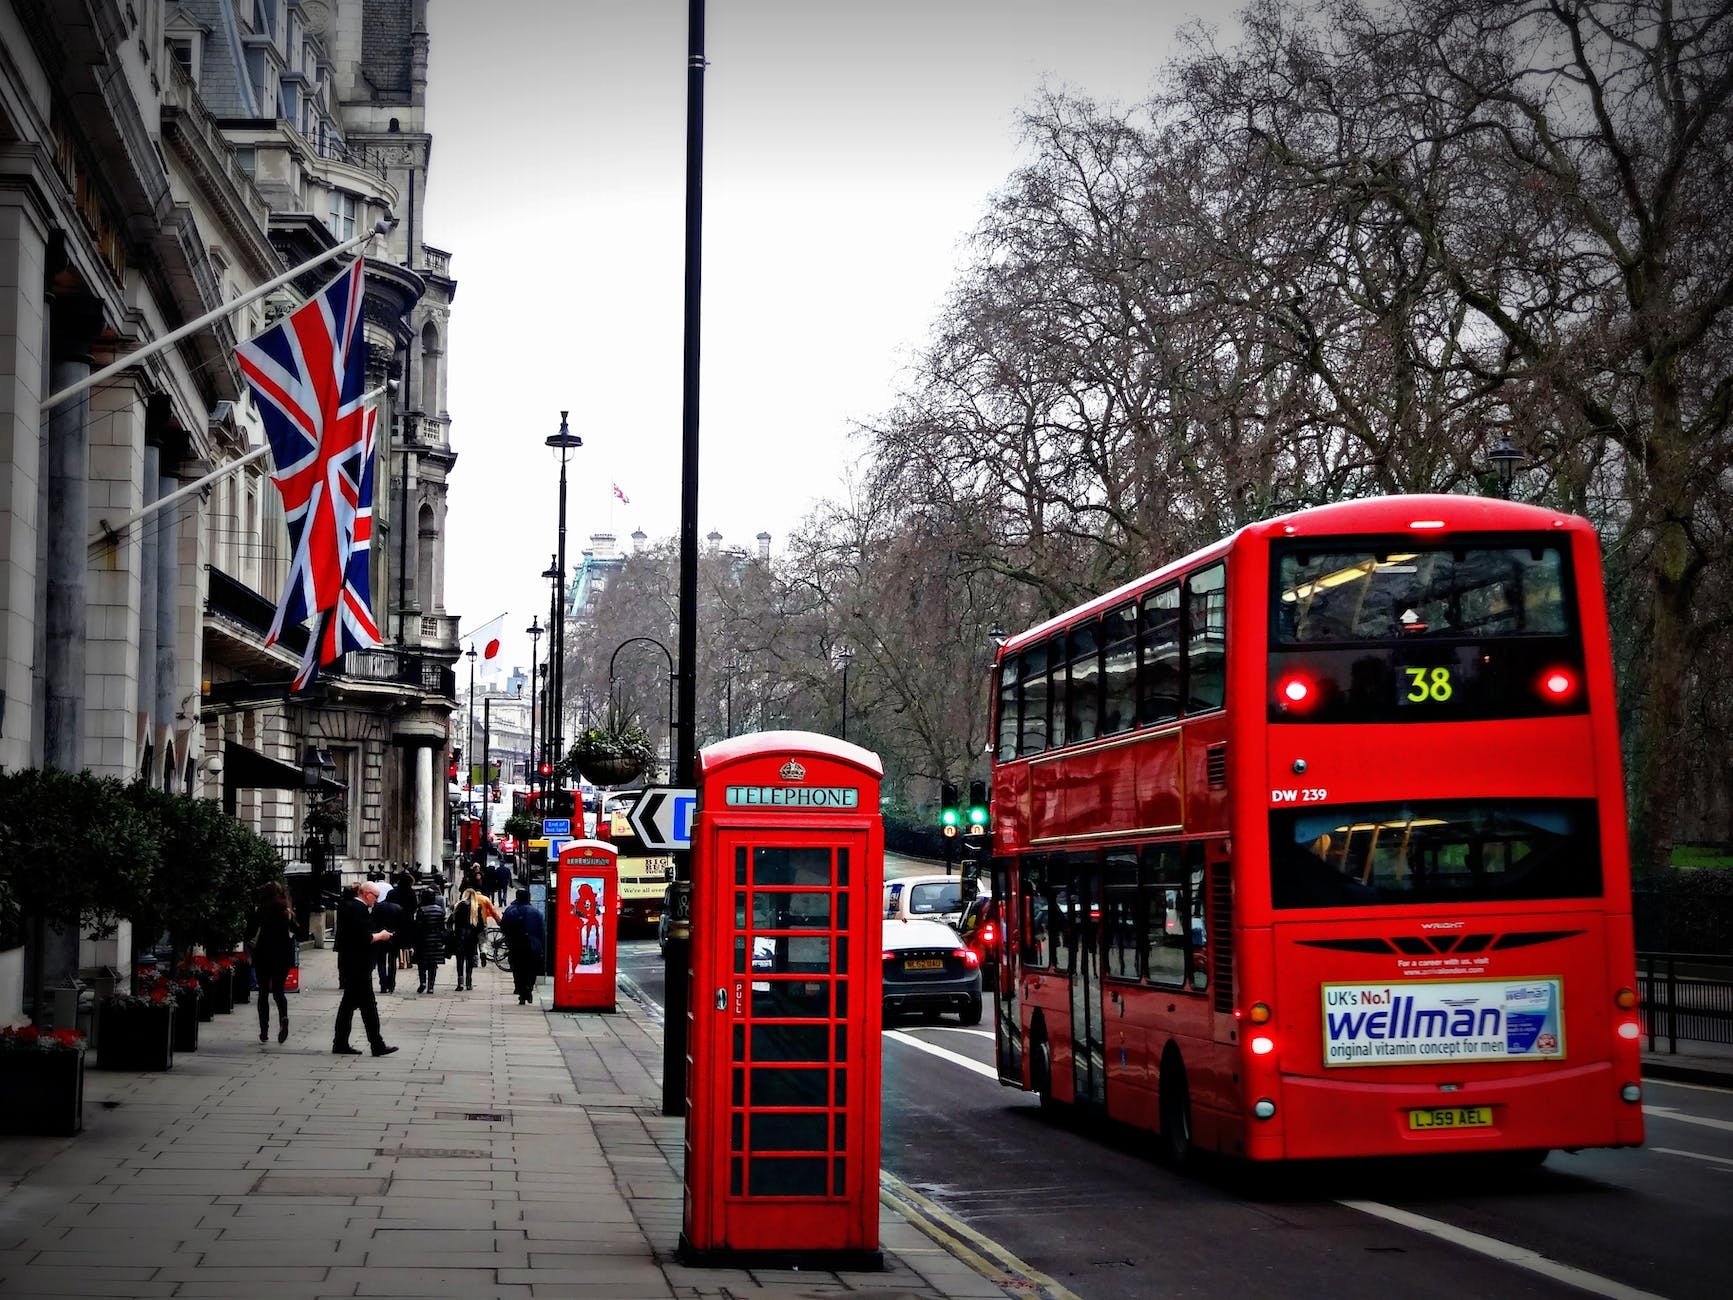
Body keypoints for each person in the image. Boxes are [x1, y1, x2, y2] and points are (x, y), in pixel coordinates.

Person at [332, 881, 398, 1057]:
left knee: (348, 1006)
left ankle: (341, 1042)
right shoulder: (357, 909)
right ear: (366, 894)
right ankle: (377, 1045)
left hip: (353, 965)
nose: (376, 901)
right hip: (358, 965)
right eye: (375, 897)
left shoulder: (351, 907)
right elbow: (363, 938)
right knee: (368, 1007)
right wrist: (381, 935)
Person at [247, 881, 297, 1044]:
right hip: (282, 956)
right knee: (278, 991)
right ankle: (283, 1017)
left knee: (263, 993)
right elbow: (299, 931)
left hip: (263, 955)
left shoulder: (260, 911)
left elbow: (249, 932)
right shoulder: (286, 910)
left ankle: (264, 1030)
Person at [449, 885, 500, 991]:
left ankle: (460, 983)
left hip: (460, 937)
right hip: (471, 938)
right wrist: (476, 934)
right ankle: (469, 982)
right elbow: (481, 925)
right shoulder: (477, 907)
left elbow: (450, 920)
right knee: (469, 960)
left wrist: (454, 931)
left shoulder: (459, 906)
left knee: (460, 960)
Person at [499, 888, 545, 1004]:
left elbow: (503, 926)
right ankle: (529, 987)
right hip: (533, 945)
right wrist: (541, 946)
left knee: (517, 969)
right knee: (531, 968)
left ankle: (521, 991)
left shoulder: (510, 910)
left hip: (516, 944)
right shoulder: (536, 912)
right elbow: (541, 931)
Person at [370, 881, 404, 994]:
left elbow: (373, 922)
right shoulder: (399, 908)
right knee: (392, 961)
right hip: (394, 938)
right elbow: (401, 925)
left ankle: (383, 984)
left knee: (381, 961)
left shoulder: (379, 907)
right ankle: (391, 983)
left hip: (381, 936)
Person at [414, 887, 448, 993]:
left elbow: (418, 926)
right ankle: (431, 986)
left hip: (423, 939)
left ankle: (422, 982)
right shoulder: (439, 910)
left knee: (422, 962)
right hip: (436, 939)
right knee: (433, 964)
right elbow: (442, 927)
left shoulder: (421, 910)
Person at [386, 871, 418, 974]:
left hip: (396, 918)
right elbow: (414, 906)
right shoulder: (411, 892)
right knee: (407, 940)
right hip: (408, 918)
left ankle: (401, 960)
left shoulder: (394, 891)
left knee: (398, 940)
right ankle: (409, 961)